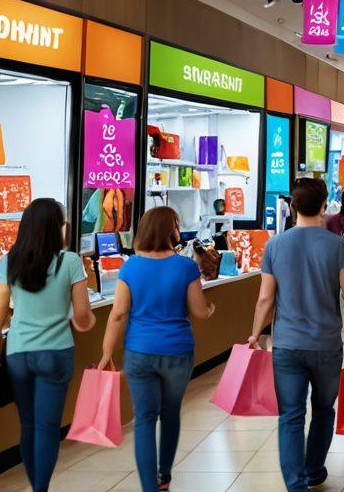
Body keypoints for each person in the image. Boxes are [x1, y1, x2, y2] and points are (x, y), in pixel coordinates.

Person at [250, 178, 344, 491]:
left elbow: (265, 298)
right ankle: (314, 468)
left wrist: (254, 334)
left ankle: (296, 483)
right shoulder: (338, 246)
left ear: (292, 207)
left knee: (291, 415)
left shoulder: (275, 245)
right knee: (323, 409)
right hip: (326, 344)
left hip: (288, 345)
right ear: (323, 206)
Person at [99, 207, 215, 492]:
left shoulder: (131, 266)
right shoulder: (186, 266)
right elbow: (200, 312)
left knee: (145, 418)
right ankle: (164, 476)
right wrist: (211, 307)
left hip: (139, 352)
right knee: (171, 413)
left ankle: (148, 487)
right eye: (176, 224)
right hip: (177, 352)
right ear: (170, 230)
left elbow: (118, 314)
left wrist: (106, 353)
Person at [0, 199, 95, 492]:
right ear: (56, 228)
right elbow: (83, 317)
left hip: (18, 353)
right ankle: (40, 489)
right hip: (56, 352)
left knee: (28, 425)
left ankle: (36, 486)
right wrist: (88, 323)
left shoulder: (8, 261)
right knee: (48, 427)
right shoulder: (70, 261)